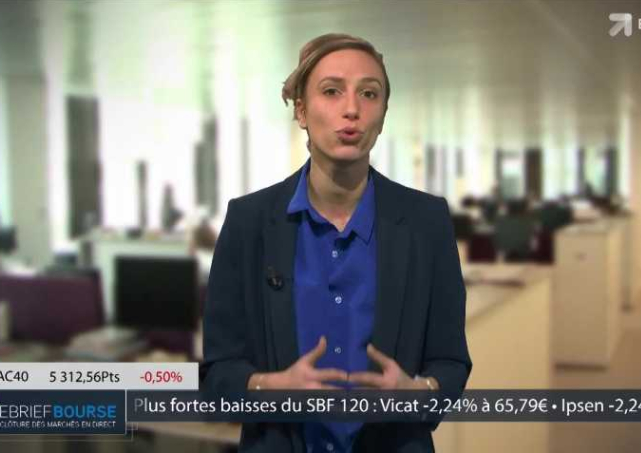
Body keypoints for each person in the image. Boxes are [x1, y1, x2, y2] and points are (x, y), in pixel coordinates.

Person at [201, 33, 472, 453]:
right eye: (331, 91)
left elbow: (451, 362)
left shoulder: (426, 222)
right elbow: (217, 374)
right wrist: (268, 387)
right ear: (301, 110)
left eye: (369, 93)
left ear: (383, 114)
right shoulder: (249, 222)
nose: (352, 109)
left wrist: (420, 393)